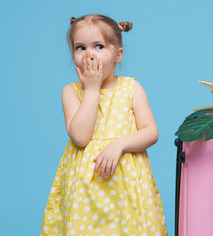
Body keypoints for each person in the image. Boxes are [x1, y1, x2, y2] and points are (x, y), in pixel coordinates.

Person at [40, 14, 168, 236]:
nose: (89, 54)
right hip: (85, 190)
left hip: (126, 186)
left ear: (118, 54)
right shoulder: (72, 92)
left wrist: (119, 145)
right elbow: (80, 137)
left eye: (98, 46)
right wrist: (92, 89)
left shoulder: (131, 88)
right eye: (80, 48)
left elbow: (151, 132)